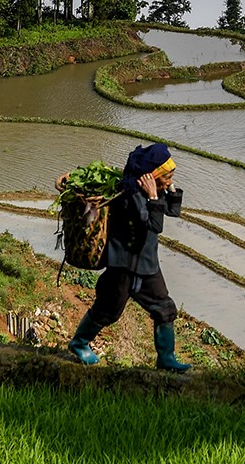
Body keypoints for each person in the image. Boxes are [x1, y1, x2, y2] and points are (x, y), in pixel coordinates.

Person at [67, 142, 190, 372]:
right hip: (123, 266)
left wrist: (168, 188)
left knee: (164, 309)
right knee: (108, 310)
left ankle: (166, 359)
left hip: (146, 264)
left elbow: (172, 211)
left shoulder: (152, 192)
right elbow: (154, 225)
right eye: (167, 176)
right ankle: (79, 343)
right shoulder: (131, 196)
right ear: (151, 176)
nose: (169, 181)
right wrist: (153, 195)